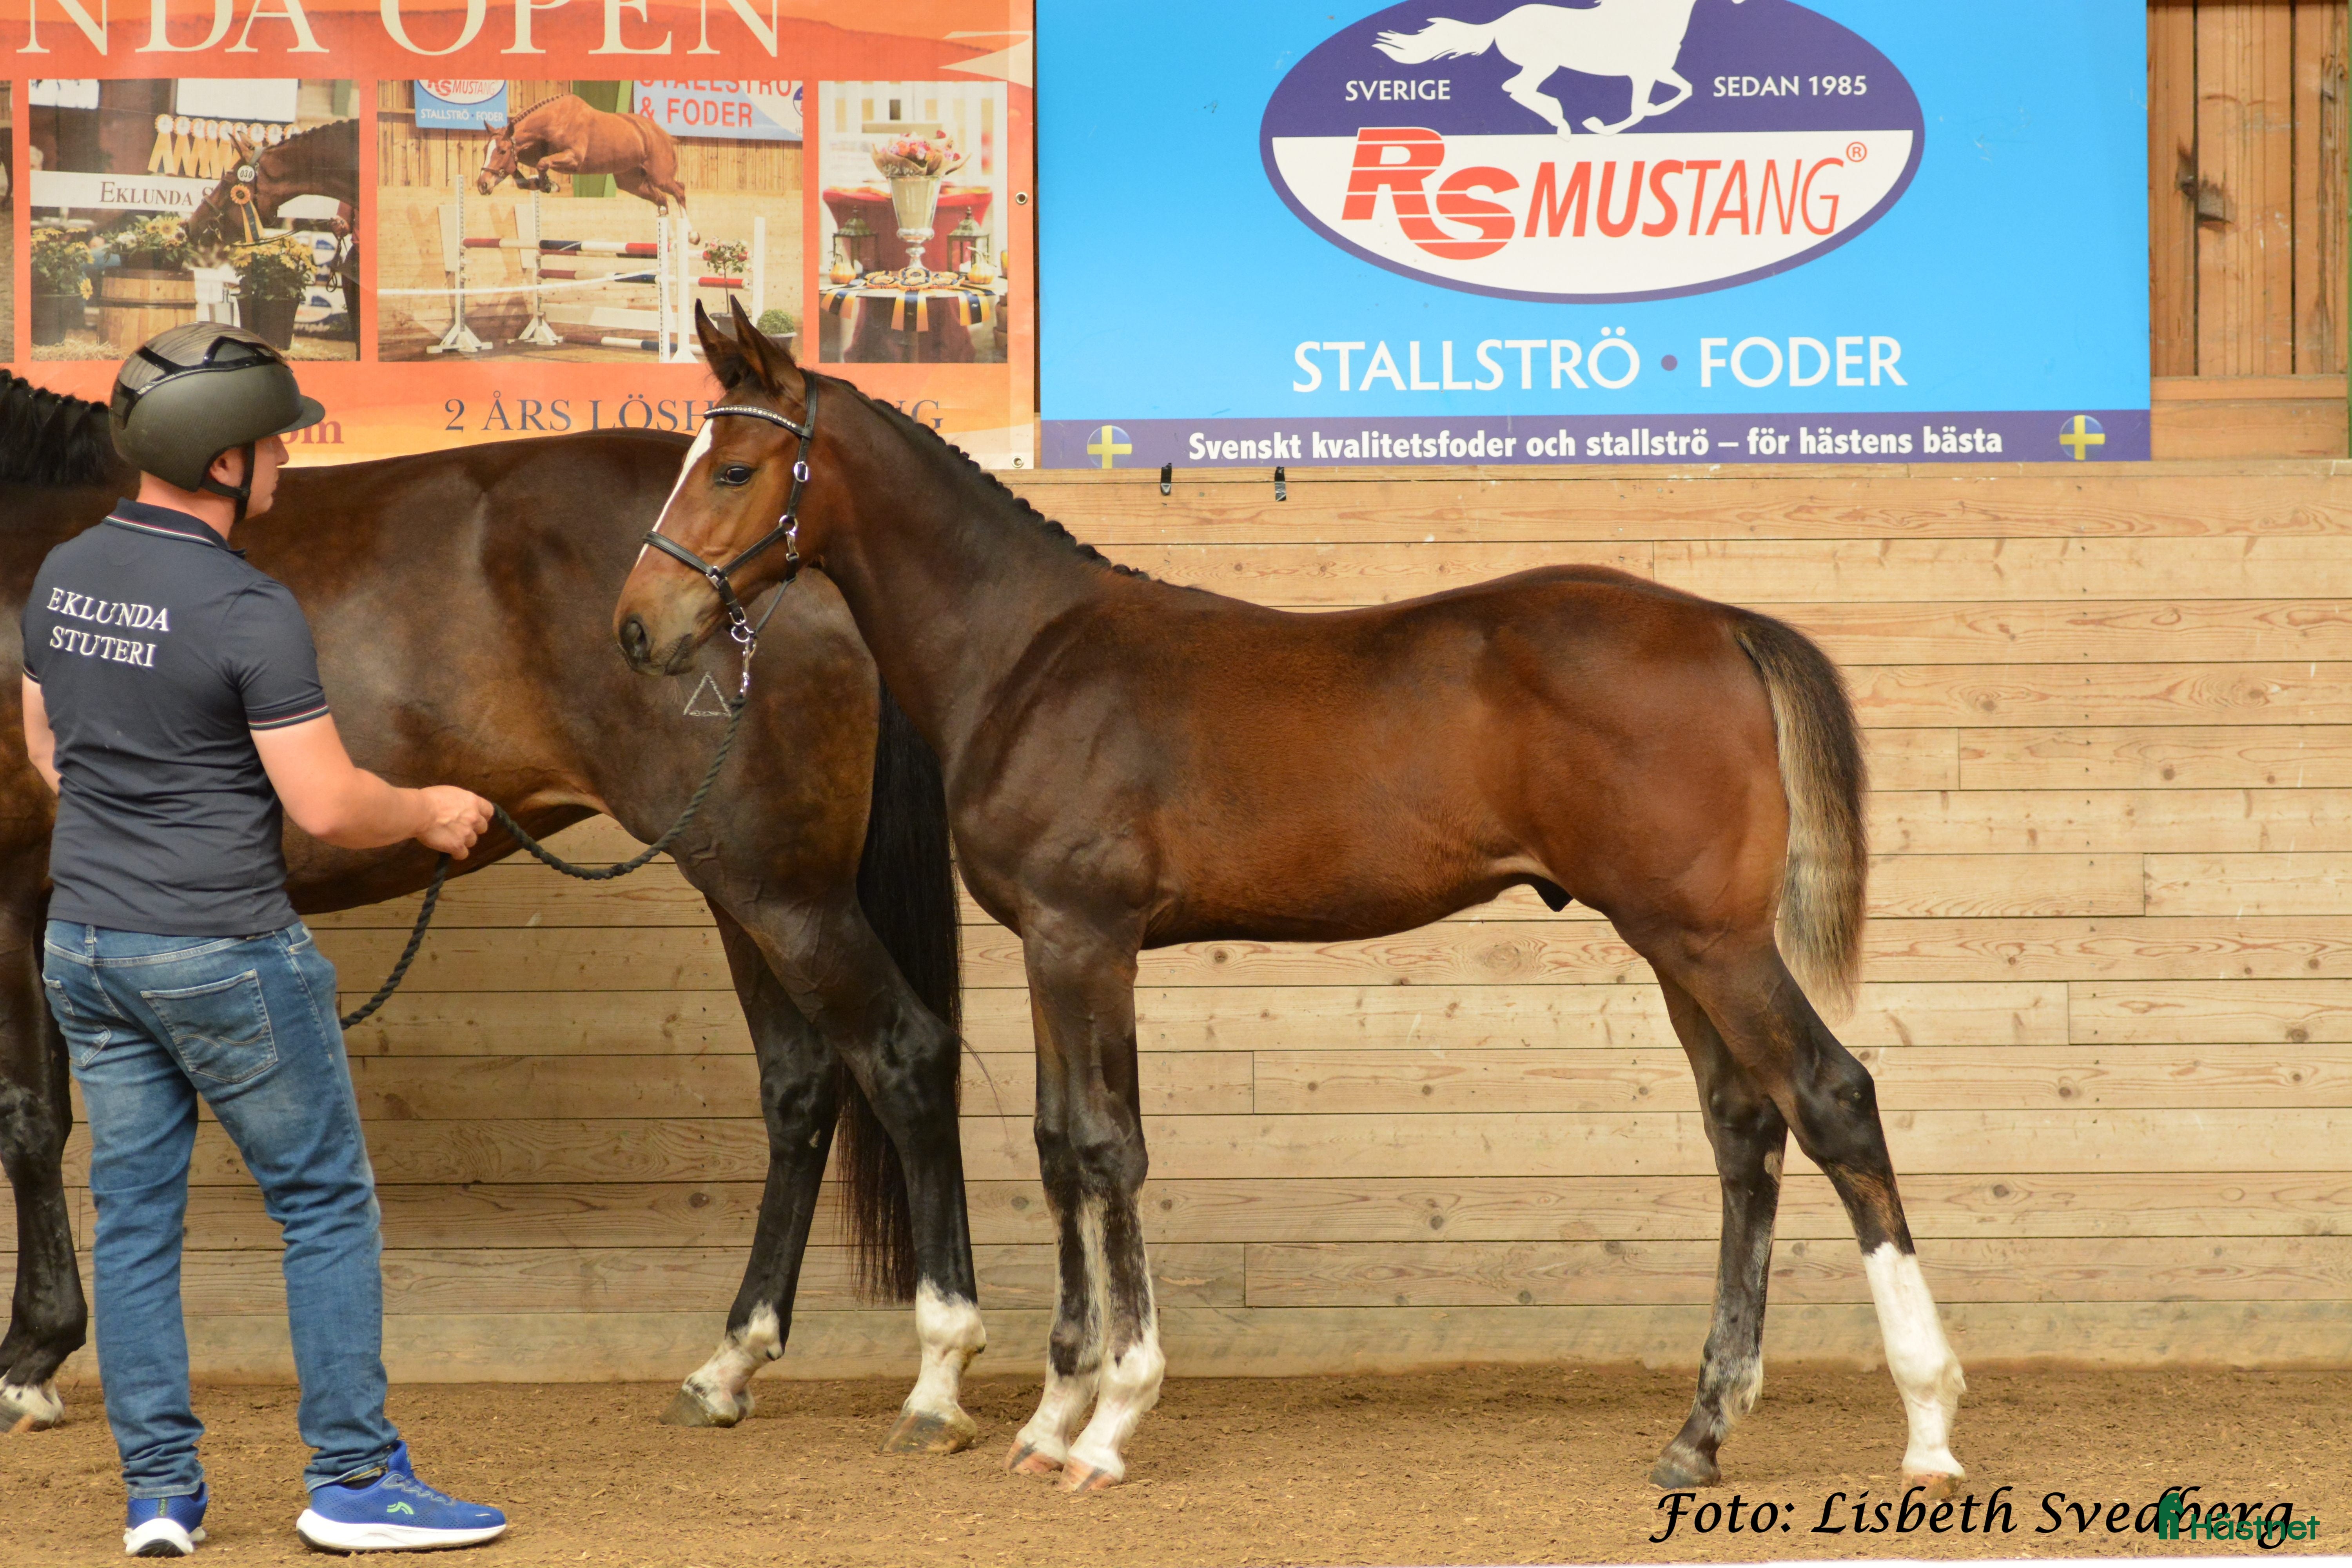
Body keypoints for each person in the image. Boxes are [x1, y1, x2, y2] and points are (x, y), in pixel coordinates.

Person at [21, 325, 509, 1557]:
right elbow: (332, 807)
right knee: (326, 1201)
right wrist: (433, 809)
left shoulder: (66, 573)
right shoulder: (248, 606)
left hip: (85, 942)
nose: (289, 457)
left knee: (133, 1217)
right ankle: (353, 1478)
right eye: (275, 439)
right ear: (223, 461)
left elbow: (51, 757)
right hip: (223, 948)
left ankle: (160, 1496)